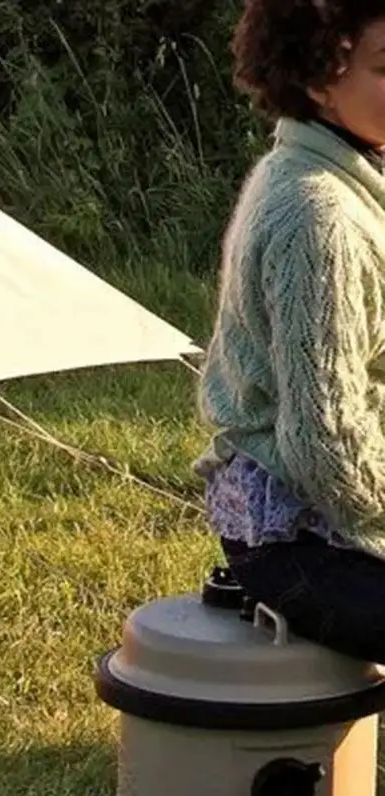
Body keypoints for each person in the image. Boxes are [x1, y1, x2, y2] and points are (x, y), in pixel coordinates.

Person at [198, 0, 385, 662]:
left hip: (336, 516)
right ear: (316, 76)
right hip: (304, 543)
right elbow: (327, 448)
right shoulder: (320, 217)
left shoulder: (339, 172)